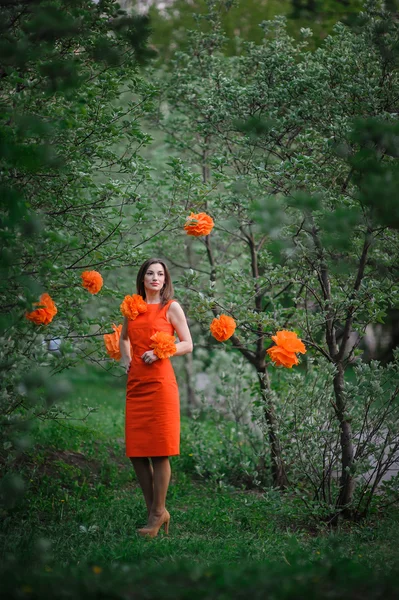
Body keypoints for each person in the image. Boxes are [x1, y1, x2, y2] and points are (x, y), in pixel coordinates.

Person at [119, 258, 193, 538]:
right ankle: (157, 512)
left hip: (161, 385)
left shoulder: (170, 307)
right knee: (137, 452)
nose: (155, 277)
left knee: (160, 451)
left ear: (165, 279)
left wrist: (163, 351)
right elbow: (124, 338)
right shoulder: (132, 308)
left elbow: (187, 343)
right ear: (142, 278)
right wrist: (126, 359)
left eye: (160, 274)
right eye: (150, 273)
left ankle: (156, 514)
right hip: (136, 385)